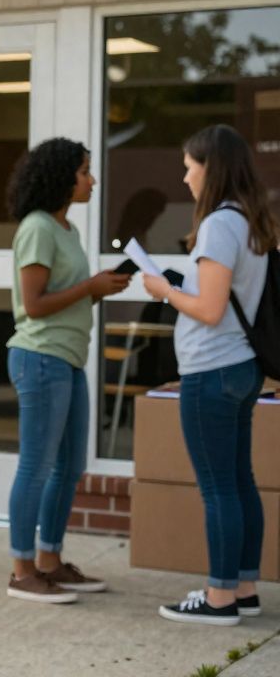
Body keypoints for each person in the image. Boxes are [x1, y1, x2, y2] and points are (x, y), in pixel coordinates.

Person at [143, 124, 279, 626]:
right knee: (239, 482)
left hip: (213, 371)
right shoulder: (249, 220)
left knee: (219, 488)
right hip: (240, 368)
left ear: (211, 168)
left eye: (189, 166)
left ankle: (220, 597)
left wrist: (164, 290)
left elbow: (208, 307)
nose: (185, 177)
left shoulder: (220, 224)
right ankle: (243, 588)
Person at [2, 138, 130, 604]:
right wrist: (90, 286)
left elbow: (65, 294)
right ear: (61, 177)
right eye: (84, 172)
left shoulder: (67, 230)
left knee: (70, 466)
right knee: (37, 467)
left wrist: (99, 288)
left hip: (68, 359)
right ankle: (22, 570)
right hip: (40, 358)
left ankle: (51, 561)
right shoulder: (37, 228)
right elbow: (33, 306)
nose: (91, 180)